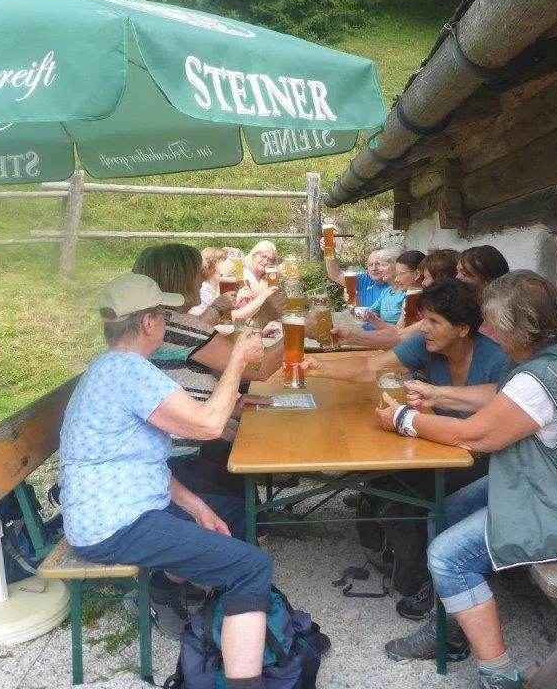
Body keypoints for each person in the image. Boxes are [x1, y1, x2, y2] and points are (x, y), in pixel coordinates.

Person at [378, 271, 557, 689]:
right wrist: (438, 396)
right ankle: (452, 631)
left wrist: (403, 419)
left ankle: (498, 677)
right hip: (554, 484)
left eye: (496, 325)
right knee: (443, 509)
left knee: (448, 556)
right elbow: (503, 393)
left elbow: (473, 434)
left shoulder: (541, 376)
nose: (488, 332)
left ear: (525, 328)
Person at [59, 272, 273, 689]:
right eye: (163, 313)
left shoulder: (113, 367)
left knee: (235, 511)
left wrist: (196, 507)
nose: (167, 320)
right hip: (113, 526)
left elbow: (140, 459)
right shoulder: (132, 373)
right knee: (252, 566)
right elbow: (210, 425)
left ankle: (196, 606)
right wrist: (238, 359)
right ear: (147, 323)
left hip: (115, 508)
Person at [301, 279, 508, 619]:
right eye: (423, 318)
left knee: (400, 489)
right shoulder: (426, 346)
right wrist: (318, 367)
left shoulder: (495, 360)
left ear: (462, 328)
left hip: (481, 457)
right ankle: (395, 558)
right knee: (383, 478)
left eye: (433, 321)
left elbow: (495, 431)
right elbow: (371, 367)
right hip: (437, 443)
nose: (423, 328)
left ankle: (423, 582)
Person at [132, 244, 285, 498]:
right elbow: (259, 369)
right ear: (181, 281)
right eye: (198, 274)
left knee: (244, 427)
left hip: (167, 439)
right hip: (178, 454)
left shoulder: (151, 322)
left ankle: (260, 515)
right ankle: (253, 521)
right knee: (253, 437)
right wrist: (298, 331)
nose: (203, 280)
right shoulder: (174, 326)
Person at [334, 249, 449, 350]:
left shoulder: (417, 299)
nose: (397, 279)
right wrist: (355, 302)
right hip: (395, 347)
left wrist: (354, 337)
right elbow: (362, 318)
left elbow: (399, 335)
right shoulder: (396, 294)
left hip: (405, 351)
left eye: (383, 265)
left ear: (417, 274)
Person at [361, 249, 424, 329]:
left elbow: (400, 332)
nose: (378, 269)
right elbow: (370, 312)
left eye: (383, 265)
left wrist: (373, 320)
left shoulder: (411, 295)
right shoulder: (386, 292)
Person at [323, 243, 394, 308]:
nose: (374, 268)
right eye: (370, 264)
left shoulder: (396, 284)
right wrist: (329, 250)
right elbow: (335, 275)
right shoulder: (364, 279)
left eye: (378, 264)